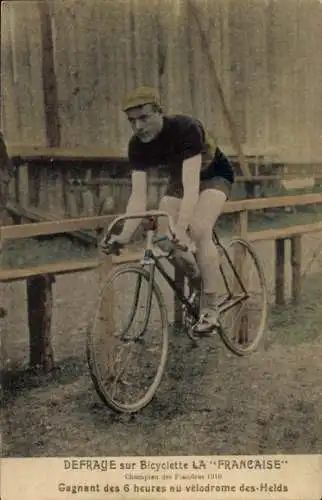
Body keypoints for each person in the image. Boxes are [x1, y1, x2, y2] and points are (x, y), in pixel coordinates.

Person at [109, 86, 235, 333]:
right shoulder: (137, 144)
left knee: (198, 229)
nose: (138, 127)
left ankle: (211, 307)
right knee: (164, 239)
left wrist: (181, 225)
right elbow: (138, 197)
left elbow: (192, 188)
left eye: (144, 118)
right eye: (131, 121)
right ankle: (199, 281)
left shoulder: (185, 127)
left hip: (213, 175)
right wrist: (124, 235)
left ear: (160, 112)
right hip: (180, 179)